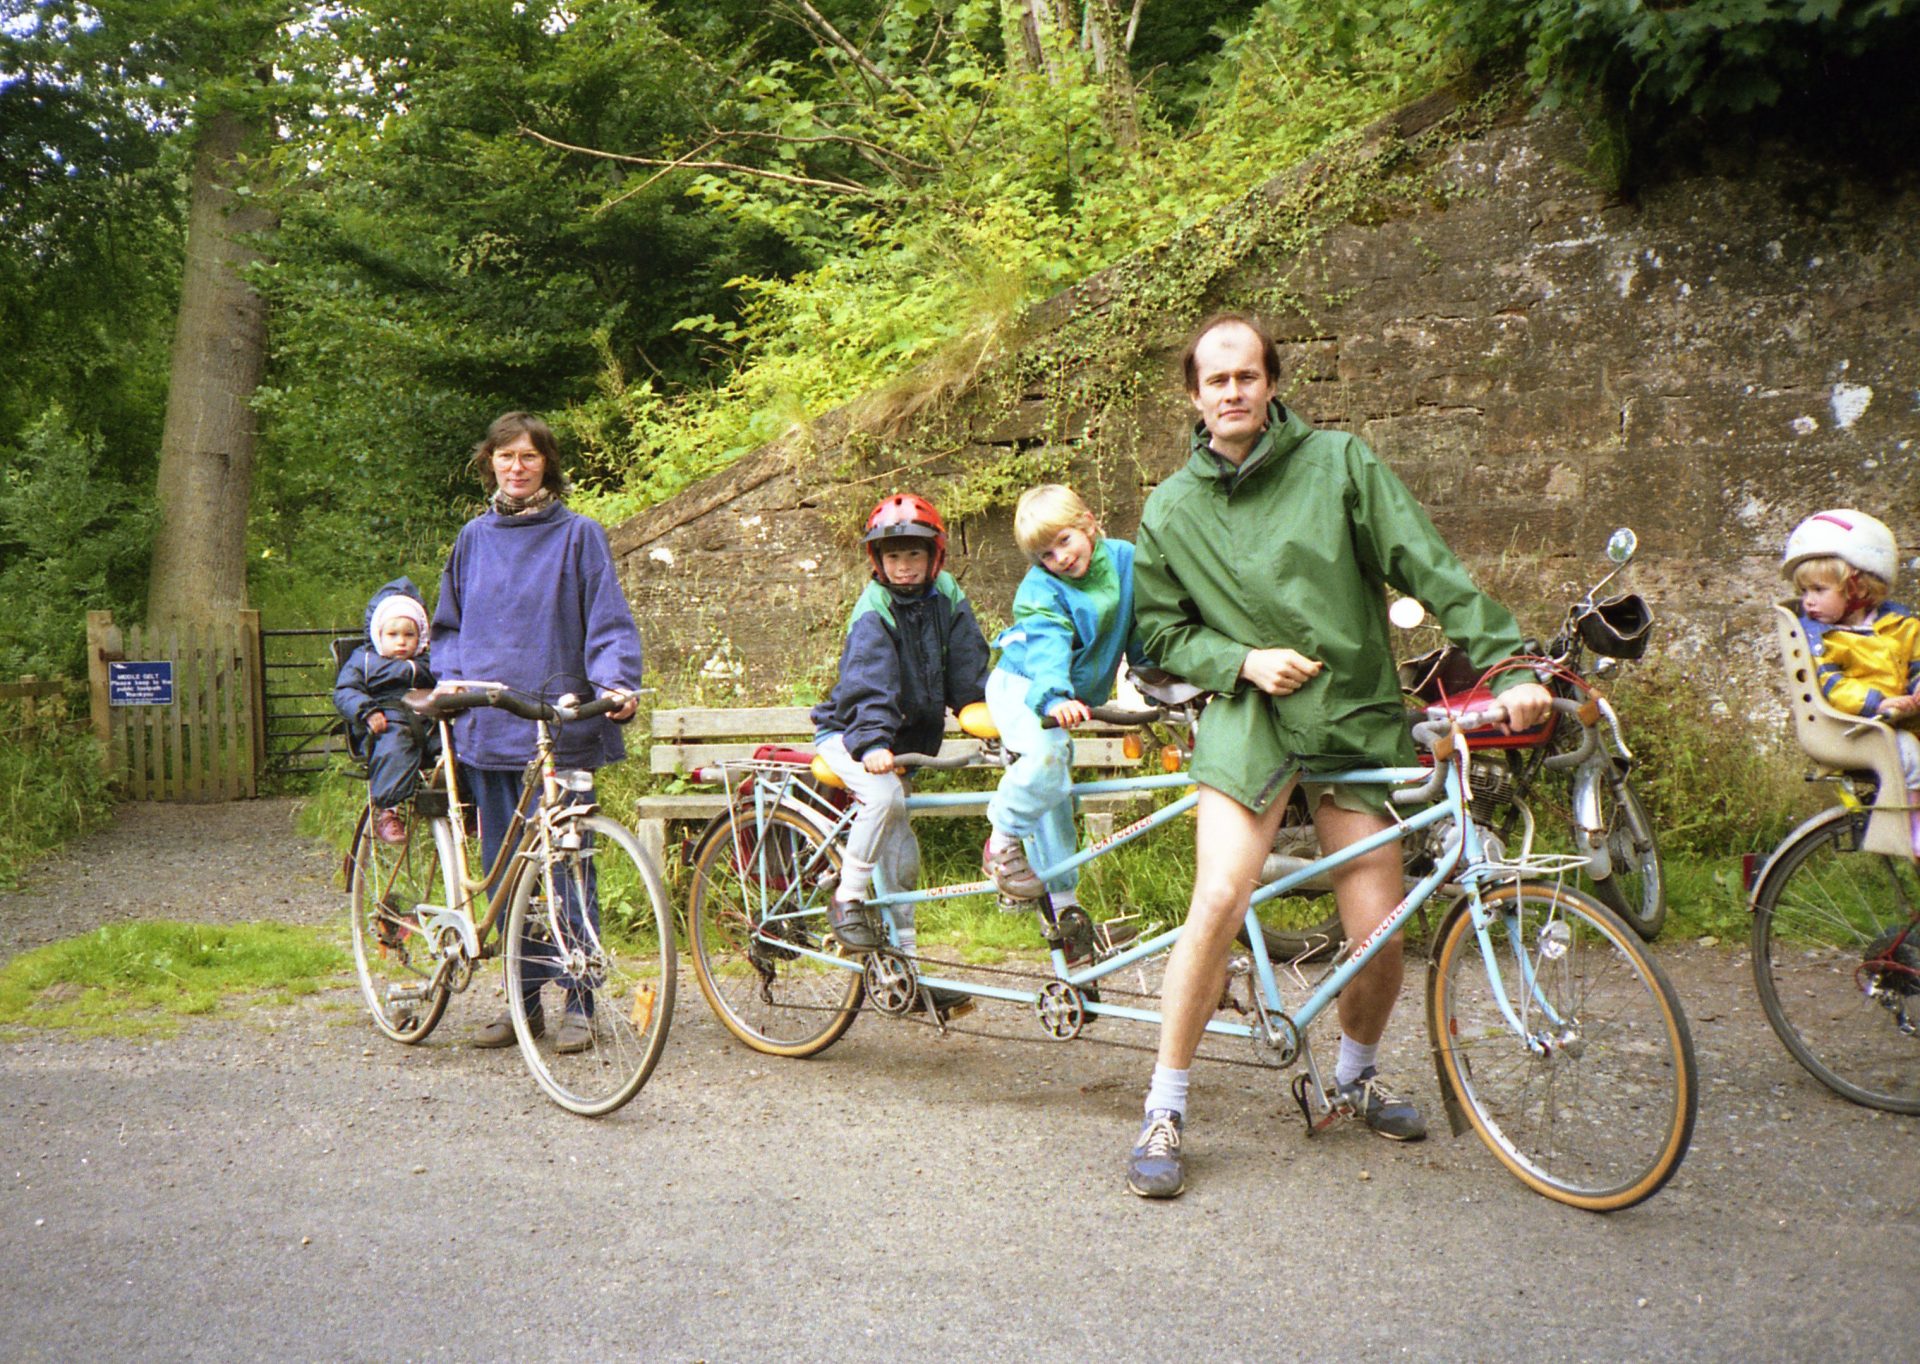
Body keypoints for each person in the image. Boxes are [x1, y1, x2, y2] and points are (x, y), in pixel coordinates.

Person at [1124, 312, 1553, 1198]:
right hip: (1249, 716)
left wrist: (1507, 663)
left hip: (1351, 712)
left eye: (1247, 376)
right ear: (1195, 396)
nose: (1233, 392)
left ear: (1272, 383)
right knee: (1219, 896)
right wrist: (1241, 660)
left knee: (1379, 930)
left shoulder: (1340, 463)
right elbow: (1160, 633)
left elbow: (1429, 567)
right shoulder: (1170, 508)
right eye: (1217, 381)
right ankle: (1165, 1105)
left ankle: (1354, 1078)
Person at [430, 411, 643, 1052]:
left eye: (528, 456)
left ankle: (580, 999)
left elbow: (607, 620)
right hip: (491, 728)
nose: (516, 467)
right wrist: (452, 682)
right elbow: (449, 627)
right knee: (503, 875)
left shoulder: (579, 536)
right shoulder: (472, 539)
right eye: (505, 456)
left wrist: (616, 683)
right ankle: (522, 1005)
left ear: (547, 462)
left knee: (569, 870)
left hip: (560, 728)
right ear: (489, 463)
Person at [809, 493, 992, 1021]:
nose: (904, 566)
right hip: (852, 736)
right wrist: (872, 743)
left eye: (914, 554)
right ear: (877, 561)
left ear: (935, 556)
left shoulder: (946, 596)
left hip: (897, 745)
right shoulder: (875, 610)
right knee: (884, 798)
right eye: (893, 556)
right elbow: (870, 682)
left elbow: (968, 666)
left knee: (902, 858)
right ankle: (846, 899)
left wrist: (987, 713)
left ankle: (905, 975)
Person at [982, 484, 1150, 958]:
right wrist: (1054, 696)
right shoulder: (1039, 588)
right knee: (1049, 755)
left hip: (1062, 697)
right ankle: (1000, 840)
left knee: (1055, 793)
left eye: (1064, 541)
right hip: (1024, 686)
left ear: (1088, 523)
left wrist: (1160, 679)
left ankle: (1065, 912)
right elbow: (1048, 642)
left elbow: (1139, 629)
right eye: (1045, 554)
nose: (1059, 558)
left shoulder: (1125, 560)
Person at [1783, 508, 1920, 854]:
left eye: (1819, 589)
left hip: (1903, 718)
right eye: (1804, 590)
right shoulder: (1823, 638)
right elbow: (1833, 686)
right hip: (1858, 727)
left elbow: (1916, 662)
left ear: (1858, 587)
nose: (1808, 600)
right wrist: (1878, 702)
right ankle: (1913, 834)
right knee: (1909, 754)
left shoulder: (1901, 624)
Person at [332, 578, 439, 844]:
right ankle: (389, 810)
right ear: (378, 634)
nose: (401, 642)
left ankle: (461, 805)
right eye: (393, 635)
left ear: (421, 635)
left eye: (409, 635)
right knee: (395, 743)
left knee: (460, 744)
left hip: (427, 719)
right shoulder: (365, 660)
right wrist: (367, 711)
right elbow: (345, 691)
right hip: (386, 719)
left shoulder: (430, 661)